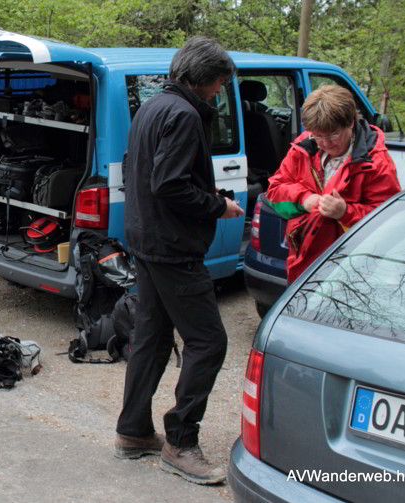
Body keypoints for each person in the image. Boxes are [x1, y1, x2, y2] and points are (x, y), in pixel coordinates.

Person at [115, 36, 242, 485]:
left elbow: (144, 170)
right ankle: (180, 441)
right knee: (209, 342)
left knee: (150, 336)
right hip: (170, 247)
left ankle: (133, 432)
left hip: (146, 239)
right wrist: (218, 206)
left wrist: (207, 196)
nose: (220, 92)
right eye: (221, 83)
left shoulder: (152, 106)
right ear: (208, 78)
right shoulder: (185, 114)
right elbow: (169, 184)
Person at [265, 84, 400, 283]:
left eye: (333, 135)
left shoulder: (376, 162)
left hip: (352, 268)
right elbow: (274, 191)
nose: (325, 143)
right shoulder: (304, 146)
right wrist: (304, 198)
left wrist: (345, 212)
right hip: (304, 263)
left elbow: (390, 220)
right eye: (318, 135)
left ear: (351, 123)